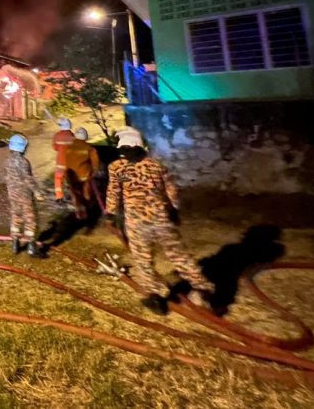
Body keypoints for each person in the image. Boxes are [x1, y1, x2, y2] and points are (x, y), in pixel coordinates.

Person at [105, 127, 214, 314]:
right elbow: (171, 189)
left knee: (142, 259)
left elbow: (114, 193)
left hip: (136, 222)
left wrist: (110, 214)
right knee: (178, 255)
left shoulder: (116, 168)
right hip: (160, 218)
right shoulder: (156, 165)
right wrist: (174, 209)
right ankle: (202, 288)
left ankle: (154, 297)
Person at [4, 134, 44, 257]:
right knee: (30, 218)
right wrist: (37, 192)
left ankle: (15, 244)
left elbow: (7, 177)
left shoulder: (7, 161)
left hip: (12, 194)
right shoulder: (23, 162)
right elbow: (28, 179)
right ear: (23, 147)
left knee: (16, 216)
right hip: (24, 194)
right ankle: (31, 247)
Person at [63, 127, 101, 220]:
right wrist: (94, 172)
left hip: (69, 175)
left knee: (75, 193)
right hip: (83, 175)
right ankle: (88, 213)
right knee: (86, 193)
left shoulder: (67, 147)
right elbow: (95, 163)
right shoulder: (89, 148)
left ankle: (79, 213)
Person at [51, 117, 75, 201]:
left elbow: (54, 147)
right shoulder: (72, 136)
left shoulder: (57, 136)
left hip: (60, 162)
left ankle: (59, 197)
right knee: (70, 179)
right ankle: (72, 195)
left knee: (58, 179)